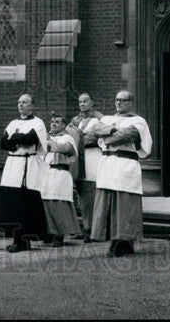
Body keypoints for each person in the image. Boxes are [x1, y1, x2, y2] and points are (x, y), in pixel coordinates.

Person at [90, 90, 153, 257]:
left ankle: (124, 242)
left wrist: (107, 137)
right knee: (108, 203)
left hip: (125, 165)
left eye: (123, 100)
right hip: (107, 164)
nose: (118, 102)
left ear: (131, 102)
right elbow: (94, 129)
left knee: (125, 205)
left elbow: (127, 135)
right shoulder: (107, 118)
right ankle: (113, 240)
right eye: (117, 99)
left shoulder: (139, 121)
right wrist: (113, 131)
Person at [0, 93, 48, 252]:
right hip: (13, 164)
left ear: (32, 105)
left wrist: (14, 137)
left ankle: (23, 240)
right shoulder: (13, 122)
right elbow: (3, 143)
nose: (21, 105)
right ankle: (16, 238)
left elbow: (30, 139)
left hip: (28, 164)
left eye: (25, 102)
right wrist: (17, 139)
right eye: (19, 102)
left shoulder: (38, 122)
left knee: (25, 202)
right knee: (12, 202)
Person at [41, 114, 82, 247]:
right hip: (46, 173)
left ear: (63, 125)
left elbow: (64, 149)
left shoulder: (67, 137)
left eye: (57, 122)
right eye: (52, 121)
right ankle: (49, 232)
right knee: (46, 204)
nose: (53, 124)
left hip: (60, 173)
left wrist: (48, 142)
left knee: (59, 204)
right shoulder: (47, 137)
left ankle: (60, 234)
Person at [68, 92, 104, 240]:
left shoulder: (100, 118)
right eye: (80, 102)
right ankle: (86, 227)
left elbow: (99, 136)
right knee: (83, 196)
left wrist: (83, 137)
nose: (82, 104)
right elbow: (71, 136)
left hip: (94, 157)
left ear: (92, 103)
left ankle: (96, 230)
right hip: (80, 159)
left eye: (85, 101)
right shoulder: (75, 121)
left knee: (95, 194)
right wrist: (83, 137)